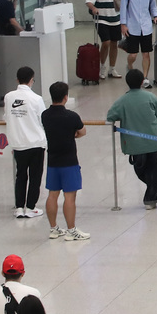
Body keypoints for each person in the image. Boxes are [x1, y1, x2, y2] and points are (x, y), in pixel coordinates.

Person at [106, 68, 157, 210]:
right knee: (154, 170)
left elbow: (110, 117)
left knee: (140, 171)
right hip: (154, 141)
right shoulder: (151, 97)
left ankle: (151, 199)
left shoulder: (121, 101)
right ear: (142, 82)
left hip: (135, 145)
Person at [41, 82, 89, 241]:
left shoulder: (45, 115)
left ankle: (53, 228)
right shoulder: (72, 116)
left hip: (52, 161)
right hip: (69, 162)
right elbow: (82, 131)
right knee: (70, 197)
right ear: (65, 97)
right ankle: (71, 230)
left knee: (52, 195)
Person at [3, 66, 47, 218]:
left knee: (21, 175)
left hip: (17, 143)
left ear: (17, 80)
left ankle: (19, 207)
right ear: (31, 80)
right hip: (35, 143)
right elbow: (43, 119)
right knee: (35, 176)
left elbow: (6, 116)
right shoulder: (36, 99)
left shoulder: (9, 97)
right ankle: (30, 207)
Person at [117, 0, 157, 85]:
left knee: (146, 53)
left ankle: (145, 77)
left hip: (146, 27)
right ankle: (130, 66)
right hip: (133, 26)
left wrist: (155, 16)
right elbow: (123, 8)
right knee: (133, 54)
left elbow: (153, 5)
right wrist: (123, 24)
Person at [86, 0, 124, 78]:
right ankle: (102, 66)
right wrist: (93, 8)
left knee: (114, 43)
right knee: (106, 42)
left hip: (115, 18)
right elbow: (89, 1)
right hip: (101, 18)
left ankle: (112, 68)